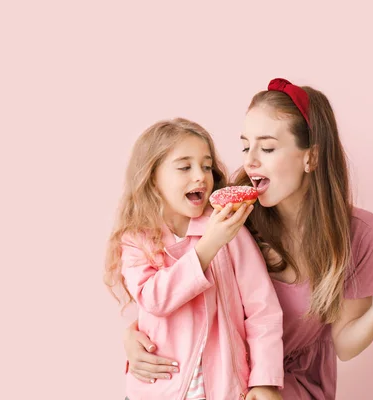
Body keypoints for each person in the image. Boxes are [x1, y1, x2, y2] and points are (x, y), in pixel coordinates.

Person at [122, 80, 373, 399]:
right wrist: (133, 334)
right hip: (222, 379)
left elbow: (343, 344)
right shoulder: (229, 216)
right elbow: (159, 270)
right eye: (245, 145)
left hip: (291, 386)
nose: (249, 160)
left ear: (310, 157)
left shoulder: (359, 232)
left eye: (267, 147)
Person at [104, 118, 285, 400]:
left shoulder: (229, 229)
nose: (200, 176)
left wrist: (265, 380)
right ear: (152, 177)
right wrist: (207, 248)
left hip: (223, 389)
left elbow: (263, 310)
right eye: (184, 167)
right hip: (156, 391)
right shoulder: (136, 239)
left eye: (206, 166)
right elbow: (154, 299)